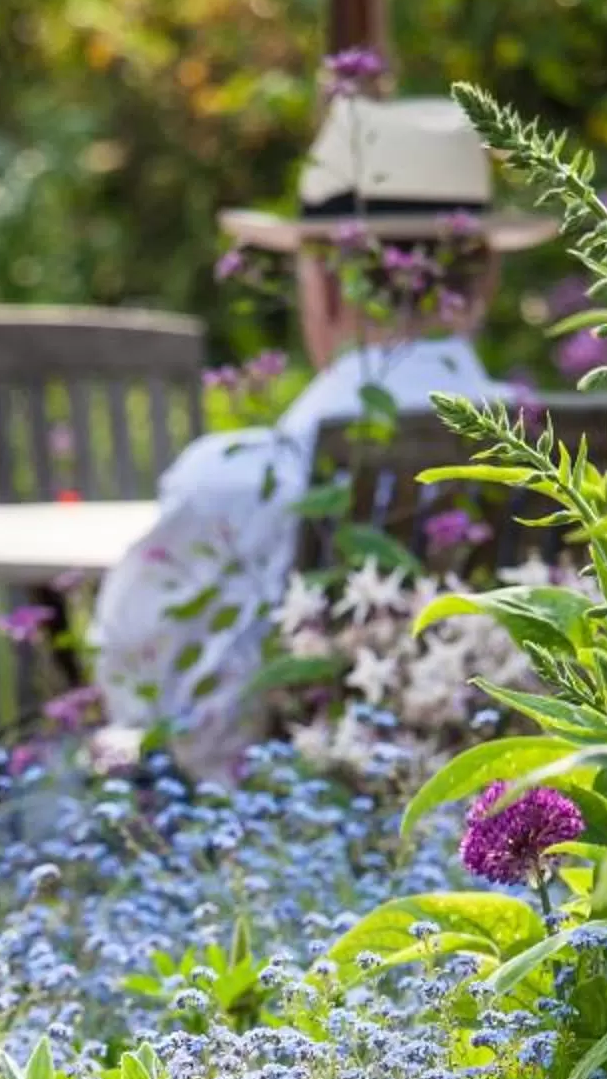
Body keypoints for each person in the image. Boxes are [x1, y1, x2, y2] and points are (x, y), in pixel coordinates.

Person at [94, 92, 551, 779]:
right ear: (483, 280)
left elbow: (154, 696)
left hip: (292, 845)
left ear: (325, 287)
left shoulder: (241, 479)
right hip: (526, 830)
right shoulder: (570, 465)